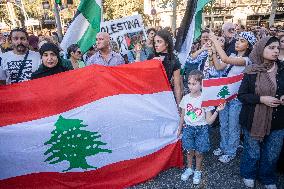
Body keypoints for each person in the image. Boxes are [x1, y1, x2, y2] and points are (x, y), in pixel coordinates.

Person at [238, 36, 284, 189]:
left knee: (272, 152)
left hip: (277, 120)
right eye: (271, 48)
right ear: (260, 49)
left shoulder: (282, 68)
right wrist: (261, 99)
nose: (276, 51)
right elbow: (242, 95)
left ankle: (267, 177)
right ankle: (248, 173)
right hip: (253, 119)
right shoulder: (251, 70)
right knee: (252, 151)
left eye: (277, 48)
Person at [209, 31, 256, 163]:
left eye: (242, 41)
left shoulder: (246, 60)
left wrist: (215, 41)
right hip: (225, 96)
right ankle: (224, 147)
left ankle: (231, 151)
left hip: (236, 98)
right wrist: (213, 52)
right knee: (224, 124)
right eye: (238, 40)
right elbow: (218, 66)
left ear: (248, 46)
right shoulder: (233, 55)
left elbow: (224, 60)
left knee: (233, 126)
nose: (237, 42)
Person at [177, 70, 225, 185]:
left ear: (201, 84)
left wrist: (217, 111)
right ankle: (189, 168)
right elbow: (183, 114)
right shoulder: (186, 98)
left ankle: (197, 170)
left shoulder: (205, 99)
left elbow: (209, 121)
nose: (190, 86)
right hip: (188, 128)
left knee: (199, 153)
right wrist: (180, 128)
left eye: (194, 84)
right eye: (189, 83)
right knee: (189, 151)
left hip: (201, 129)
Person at [148, 29, 182, 105]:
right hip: (151, 96)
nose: (156, 44)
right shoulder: (151, 57)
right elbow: (143, 76)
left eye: (159, 41)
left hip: (166, 96)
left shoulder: (174, 60)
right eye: (155, 42)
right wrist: (152, 64)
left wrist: (179, 107)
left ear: (166, 44)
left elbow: (177, 87)